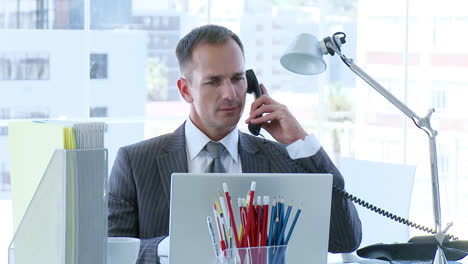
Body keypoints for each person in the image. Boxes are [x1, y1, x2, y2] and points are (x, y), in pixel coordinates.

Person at [108, 24, 362, 264]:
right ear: (185, 90)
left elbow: (344, 238)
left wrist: (300, 143)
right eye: (214, 81)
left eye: (237, 78)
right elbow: (109, 253)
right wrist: (166, 248)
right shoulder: (135, 162)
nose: (230, 94)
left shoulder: (281, 157)